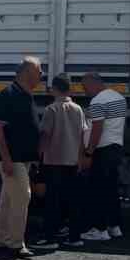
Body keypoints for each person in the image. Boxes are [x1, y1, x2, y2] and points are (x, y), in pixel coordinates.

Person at [0, 56, 43, 258]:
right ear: (28, 72)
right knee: (22, 196)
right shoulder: (9, 93)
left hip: (22, 158)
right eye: (39, 71)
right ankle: (15, 244)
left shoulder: (25, 94)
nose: (41, 75)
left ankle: (0, 241)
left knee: (8, 200)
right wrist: (6, 158)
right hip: (13, 158)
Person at [36, 75, 86, 247]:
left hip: (53, 160)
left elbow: (45, 134)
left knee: (52, 201)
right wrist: (80, 158)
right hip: (72, 161)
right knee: (73, 201)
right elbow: (82, 136)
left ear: (54, 89)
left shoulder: (52, 109)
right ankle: (75, 237)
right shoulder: (78, 109)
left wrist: (38, 155)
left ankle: (50, 238)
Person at [79, 70, 128, 242]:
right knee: (111, 190)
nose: (85, 91)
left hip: (103, 150)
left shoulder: (97, 101)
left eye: (85, 87)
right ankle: (114, 227)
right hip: (116, 147)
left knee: (98, 190)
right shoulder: (118, 97)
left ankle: (99, 230)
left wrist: (88, 152)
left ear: (94, 83)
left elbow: (97, 129)